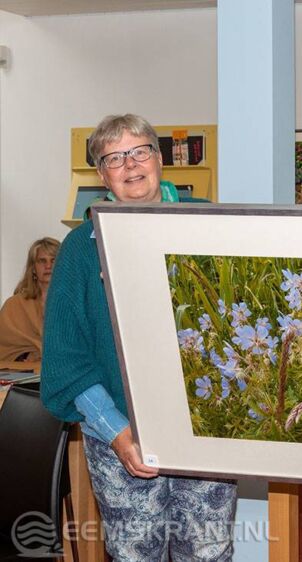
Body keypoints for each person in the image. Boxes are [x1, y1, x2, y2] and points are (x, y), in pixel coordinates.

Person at [41, 114, 236, 561]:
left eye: (139, 151)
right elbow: (68, 361)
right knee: (134, 555)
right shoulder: (79, 249)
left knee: (208, 552)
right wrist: (119, 433)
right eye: (114, 157)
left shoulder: (210, 224)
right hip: (120, 436)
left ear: (160, 158)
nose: (130, 165)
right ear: (101, 174)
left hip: (204, 432)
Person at [0, 237, 60, 365]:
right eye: (42, 261)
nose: (48, 266)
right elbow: (4, 347)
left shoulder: (76, 301)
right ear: (33, 268)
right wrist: (25, 355)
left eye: (53, 260)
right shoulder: (14, 305)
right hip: (24, 374)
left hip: (65, 371)